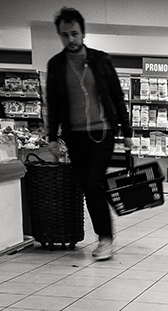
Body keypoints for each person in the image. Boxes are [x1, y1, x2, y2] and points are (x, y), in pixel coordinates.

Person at [45, 6, 133, 261]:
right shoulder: (56, 65)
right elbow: (53, 103)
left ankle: (105, 238)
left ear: (83, 33)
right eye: (65, 35)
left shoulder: (100, 60)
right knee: (87, 186)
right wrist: (52, 136)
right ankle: (103, 235)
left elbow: (117, 97)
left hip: (103, 134)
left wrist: (126, 132)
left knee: (93, 182)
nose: (70, 39)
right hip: (75, 136)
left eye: (74, 33)